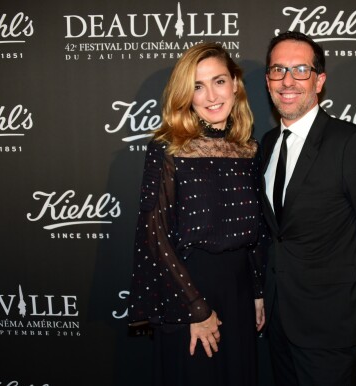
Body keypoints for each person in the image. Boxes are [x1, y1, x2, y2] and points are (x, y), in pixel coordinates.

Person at [261, 31, 356, 386]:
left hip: (332, 326)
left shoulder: (351, 143)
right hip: (278, 320)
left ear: (319, 80)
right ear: (267, 80)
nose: (288, 80)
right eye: (278, 70)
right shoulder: (266, 144)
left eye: (300, 70)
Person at [127, 42, 267, 386]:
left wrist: (259, 292)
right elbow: (155, 236)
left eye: (219, 81)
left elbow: (259, 230)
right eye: (198, 86)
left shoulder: (249, 149)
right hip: (189, 292)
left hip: (240, 292)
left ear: (235, 84)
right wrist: (195, 308)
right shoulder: (168, 148)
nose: (211, 96)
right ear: (186, 95)